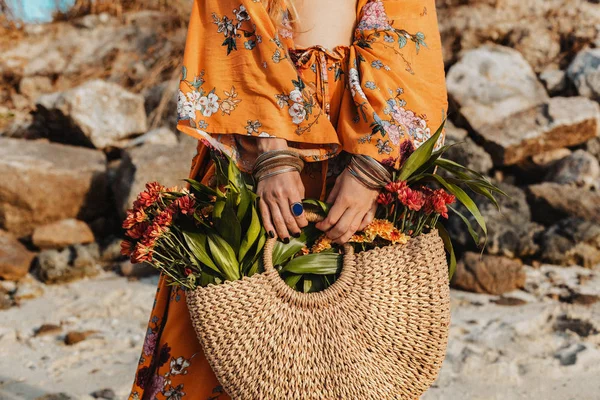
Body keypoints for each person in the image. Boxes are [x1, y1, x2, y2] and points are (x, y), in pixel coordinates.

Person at [128, 0, 447, 398]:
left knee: (348, 352)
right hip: (255, 150)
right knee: (223, 326)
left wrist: (373, 165)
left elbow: (407, 30)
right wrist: (271, 153)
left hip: (355, 140)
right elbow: (230, 13)